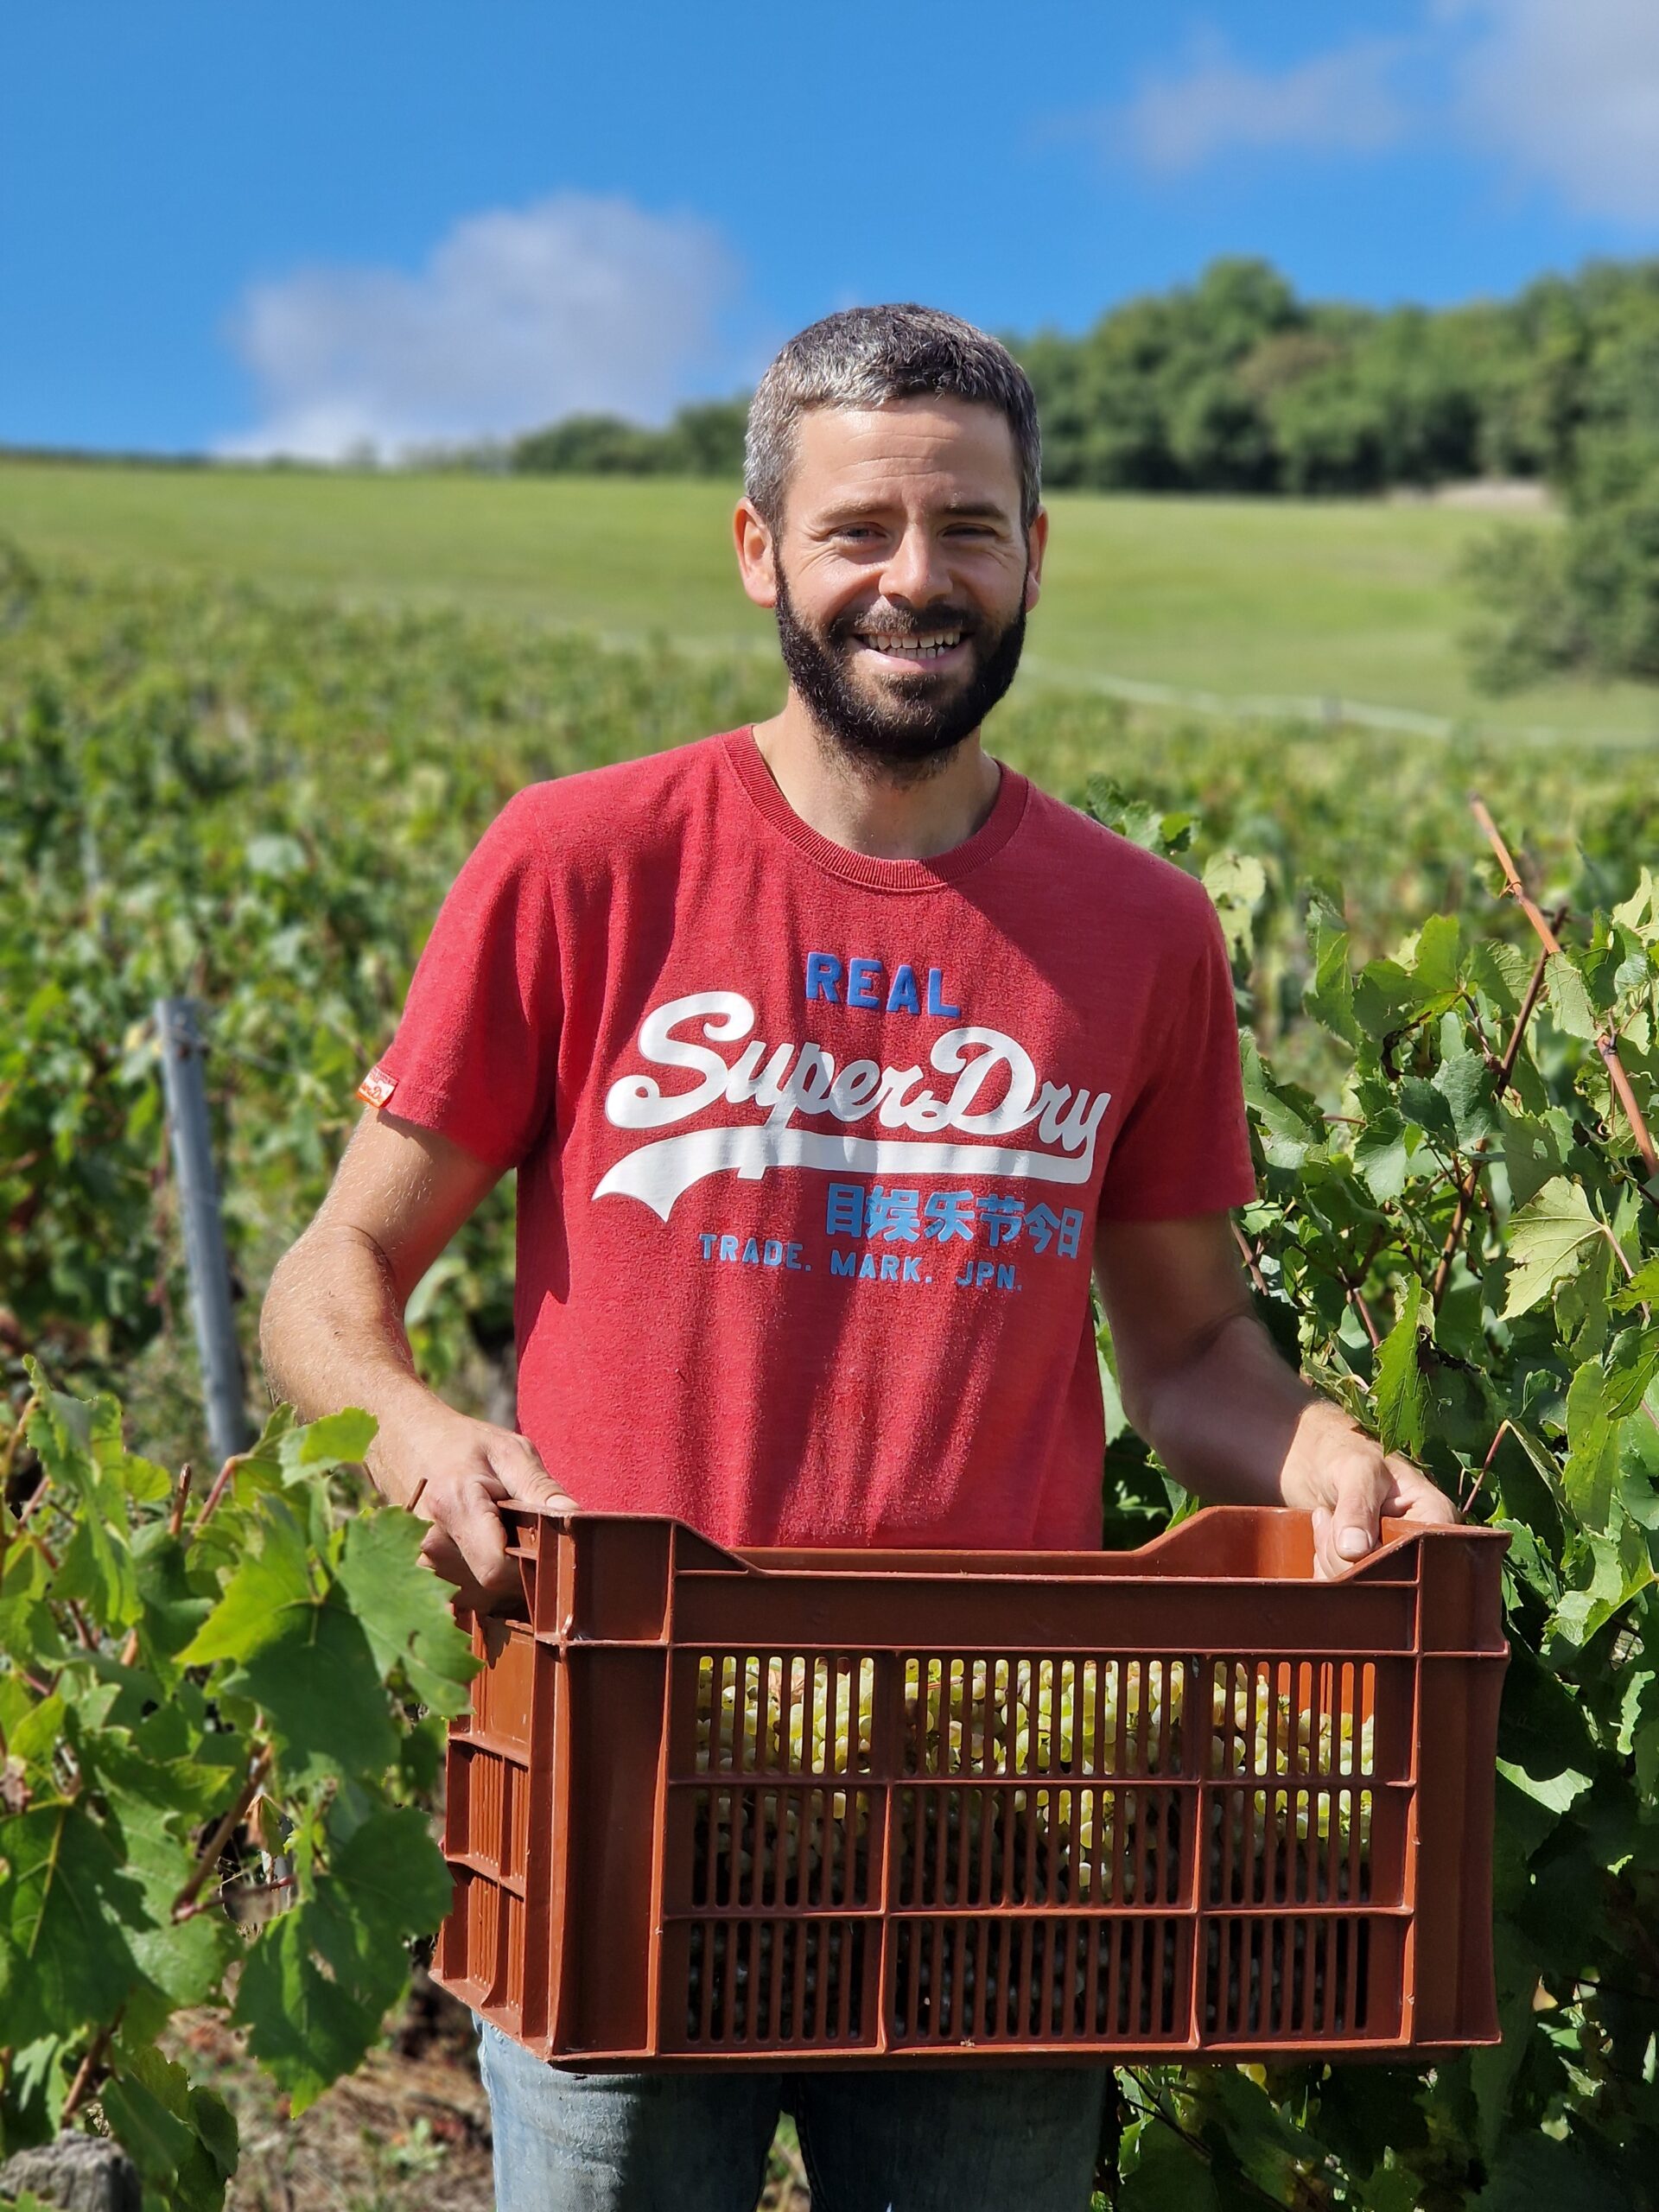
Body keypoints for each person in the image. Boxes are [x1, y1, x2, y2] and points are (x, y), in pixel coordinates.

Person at [260, 304, 1453, 2212]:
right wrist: (417, 1432)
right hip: (633, 1767)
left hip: (994, 1804)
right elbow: (330, 1275)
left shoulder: (1137, 934)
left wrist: (1316, 1453)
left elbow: (1194, 1346)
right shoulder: (581, 864)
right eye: (862, 528)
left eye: (970, 527)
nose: (921, 578)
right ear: (762, 553)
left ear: (1036, 551)